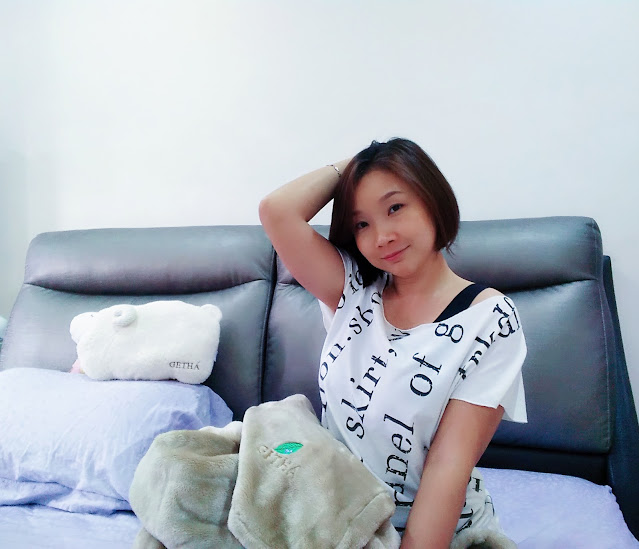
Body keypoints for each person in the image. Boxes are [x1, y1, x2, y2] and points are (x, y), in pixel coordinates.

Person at [259, 138, 527, 548]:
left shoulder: (490, 320)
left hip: (427, 530)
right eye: (361, 224)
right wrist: (359, 162)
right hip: (338, 517)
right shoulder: (353, 290)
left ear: (432, 200)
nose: (382, 237)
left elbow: (448, 466)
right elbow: (277, 211)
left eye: (395, 207)